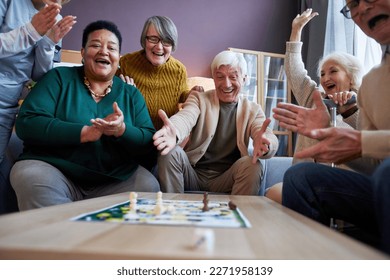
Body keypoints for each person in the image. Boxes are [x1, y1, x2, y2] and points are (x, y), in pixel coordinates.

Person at [272, 0, 390, 254]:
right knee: (299, 176)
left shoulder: (359, 99)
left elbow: (373, 155)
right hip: (375, 186)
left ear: (351, 75)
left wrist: (352, 123)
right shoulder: (371, 84)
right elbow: (373, 164)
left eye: (332, 71)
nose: (362, 8)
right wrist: (335, 136)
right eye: (353, 4)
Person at [10, 20, 160, 211]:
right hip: (53, 170)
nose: (104, 51)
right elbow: (27, 122)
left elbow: (148, 141)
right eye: (95, 45)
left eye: (111, 48)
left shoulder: (131, 94)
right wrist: (83, 133)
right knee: (30, 176)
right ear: (82, 52)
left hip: (114, 179)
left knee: (148, 186)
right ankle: (59, 238)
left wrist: (122, 130)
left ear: (118, 58)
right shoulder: (58, 78)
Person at [265, 8, 363, 203]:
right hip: (303, 181)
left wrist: (350, 108)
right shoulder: (314, 98)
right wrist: (296, 30)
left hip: (340, 186)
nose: (325, 77)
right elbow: (295, 72)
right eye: (323, 73)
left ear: (351, 77)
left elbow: (369, 143)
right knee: (272, 193)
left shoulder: (364, 105)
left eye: (333, 71)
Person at [153, 50, 278, 195]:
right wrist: (173, 131)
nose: (226, 84)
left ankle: (239, 215)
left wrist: (265, 144)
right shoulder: (199, 99)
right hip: (193, 174)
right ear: (213, 78)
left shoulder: (253, 110)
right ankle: (173, 212)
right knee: (170, 152)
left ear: (244, 79)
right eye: (220, 77)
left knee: (253, 165)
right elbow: (186, 117)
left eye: (233, 77)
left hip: (227, 178)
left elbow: (263, 132)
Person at [0, 0, 76, 213]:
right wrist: (30, 31)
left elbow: (39, 75)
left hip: (7, 104)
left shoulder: (57, 19)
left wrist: (48, 43)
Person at [117, 15, 196, 130]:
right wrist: (123, 92)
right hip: (133, 134)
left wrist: (190, 95)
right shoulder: (126, 63)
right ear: (144, 40)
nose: (159, 47)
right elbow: (110, 97)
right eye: (153, 39)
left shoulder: (179, 70)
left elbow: (182, 95)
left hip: (165, 137)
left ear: (173, 44)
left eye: (166, 41)